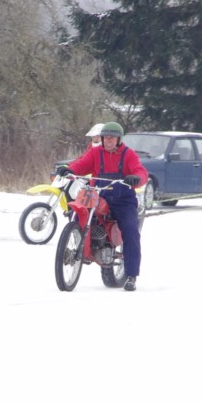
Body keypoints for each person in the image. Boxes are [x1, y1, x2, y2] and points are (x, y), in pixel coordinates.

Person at [56, 121, 148, 291]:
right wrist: (69, 170)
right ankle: (76, 238)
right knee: (77, 210)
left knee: (130, 230)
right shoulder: (96, 152)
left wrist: (136, 178)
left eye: (112, 138)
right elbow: (81, 164)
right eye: (105, 137)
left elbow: (141, 171)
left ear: (119, 139)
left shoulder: (128, 154)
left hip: (122, 199)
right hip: (97, 193)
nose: (108, 141)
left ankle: (131, 275)